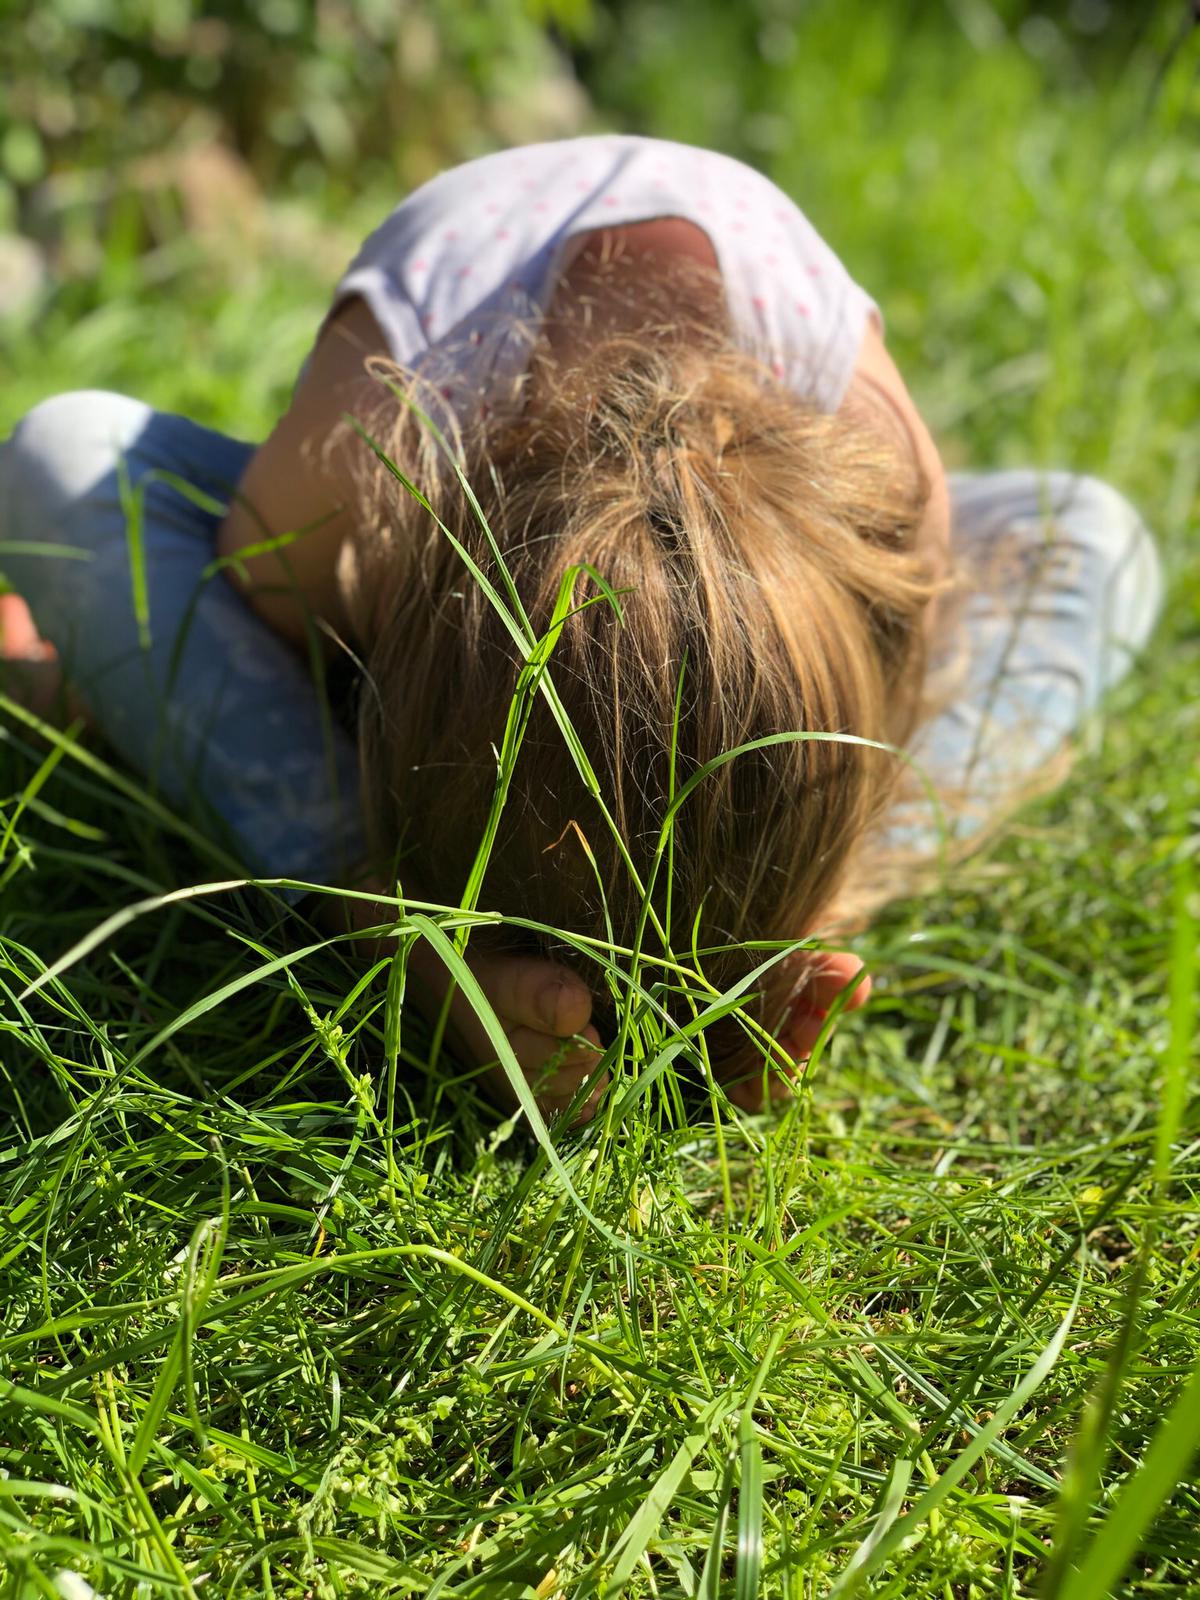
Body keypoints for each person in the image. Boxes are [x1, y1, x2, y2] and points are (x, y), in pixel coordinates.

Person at [0, 135, 1165, 1119]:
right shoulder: (358, 455)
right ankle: (383, 915)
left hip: (808, 532)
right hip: (397, 518)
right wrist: (408, 831)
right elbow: (275, 619)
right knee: (63, 460)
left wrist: (785, 845)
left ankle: (820, 904)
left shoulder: (891, 481)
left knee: (1095, 535)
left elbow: (887, 671)